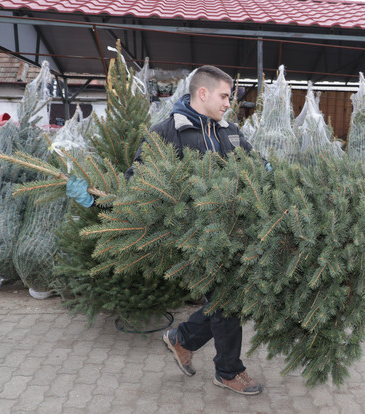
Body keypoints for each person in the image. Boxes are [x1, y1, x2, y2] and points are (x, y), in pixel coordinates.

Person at [66, 65, 263, 395]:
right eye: (224, 96)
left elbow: (254, 165)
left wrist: (265, 168)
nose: (229, 102)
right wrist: (93, 198)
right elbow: (135, 184)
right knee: (227, 301)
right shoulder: (167, 132)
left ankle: (182, 339)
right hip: (195, 238)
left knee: (229, 300)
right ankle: (228, 371)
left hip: (232, 232)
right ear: (203, 93)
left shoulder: (230, 131)